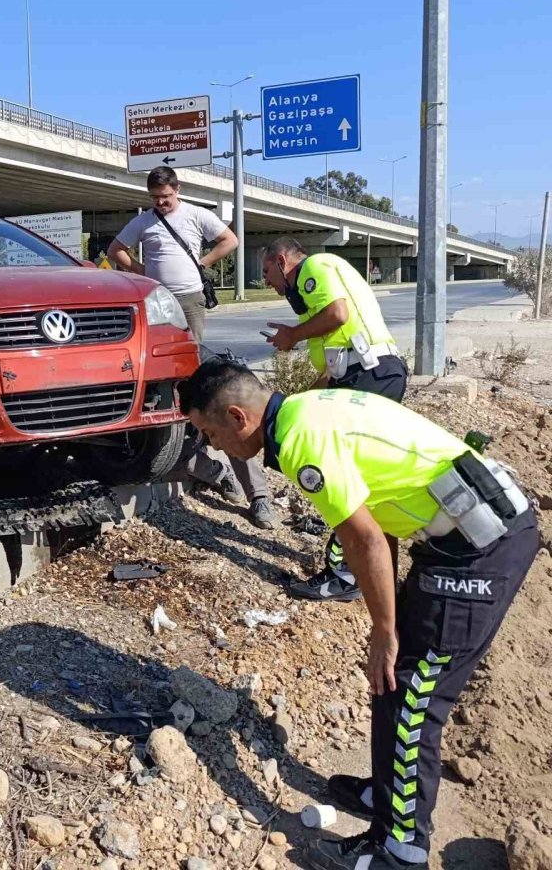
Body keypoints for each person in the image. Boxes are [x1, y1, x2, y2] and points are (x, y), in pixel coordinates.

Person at [179, 360, 538, 870]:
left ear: (238, 417)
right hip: (460, 537)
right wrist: (386, 625)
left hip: (483, 546)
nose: (213, 447)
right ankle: (391, 793)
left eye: (209, 433)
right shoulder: (302, 412)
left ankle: (400, 849)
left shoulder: (302, 441)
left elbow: (362, 538)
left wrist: (384, 630)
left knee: (414, 692)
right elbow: (376, 523)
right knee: (393, 684)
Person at [108, 165, 277, 530]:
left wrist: (201, 263)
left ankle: (258, 496)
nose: (161, 203)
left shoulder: (196, 215)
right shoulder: (145, 222)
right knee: (170, 404)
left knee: (206, 385)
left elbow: (229, 240)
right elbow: (115, 250)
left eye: (166, 197)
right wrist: (141, 271)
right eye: (155, 199)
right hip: (156, 301)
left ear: (177, 190)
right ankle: (215, 472)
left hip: (188, 301)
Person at [262, 236, 407, 602]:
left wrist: (293, 335)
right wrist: (305, 401)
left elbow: (339, 314)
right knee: (364, 477)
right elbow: (333, 366)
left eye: (267, 272)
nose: (266, 282)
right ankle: (374, 567)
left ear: (283, 261)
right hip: (365, 375)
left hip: (369, 375)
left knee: (347, 476)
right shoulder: (317, 293)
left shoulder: (314, 268)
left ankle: (346, 575)